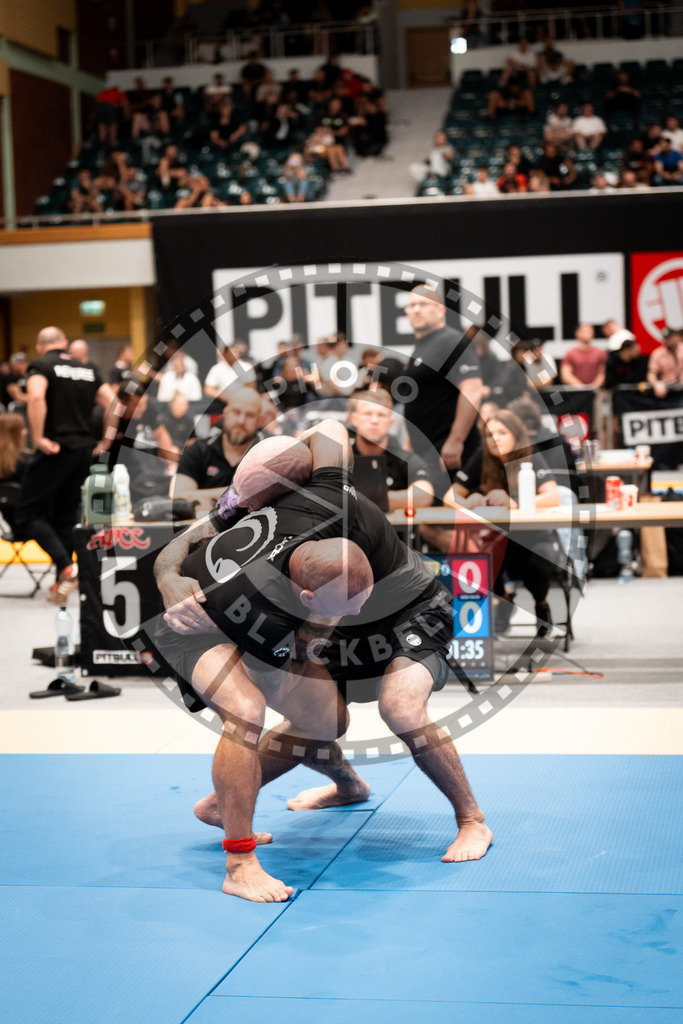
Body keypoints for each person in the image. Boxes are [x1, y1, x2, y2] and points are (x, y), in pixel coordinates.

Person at [154, 423, 492, 902]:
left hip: (412, 609)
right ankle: (328, 789)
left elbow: (330, 426)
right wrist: (169, 576)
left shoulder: (327, 488)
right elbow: (188, 543)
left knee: (401, 709)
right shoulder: (248, 548)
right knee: (318, 717)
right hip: (296, 612)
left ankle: (471, 819)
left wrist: (289, 454)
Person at [423, 410, 561, 637]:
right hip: (499, 537)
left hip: (535, 536)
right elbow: (450, 497)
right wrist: (467, 502)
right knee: (481, 557)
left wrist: (515, 502)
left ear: (515, 435)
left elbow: (553, 496)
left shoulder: (530, 455)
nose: (495, 438)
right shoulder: (482, 456)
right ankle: (504, 599)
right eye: (489, 434)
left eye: (502, 432)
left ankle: (541, 605)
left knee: (535, 565)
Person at [15, 326, 115, 603]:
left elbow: (35, 396)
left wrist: (38, 438)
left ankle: (67, 567)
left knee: (27, 515)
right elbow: (113, 401)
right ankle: (70, 571)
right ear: (65, 344)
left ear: (39, 347)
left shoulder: (42, 365)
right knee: (64, 517)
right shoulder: (87, 368)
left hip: (56, 448)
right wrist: (105, 440)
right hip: (83, 451)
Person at [402, 286, 483, 486]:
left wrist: (456, 440)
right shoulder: (423, 345)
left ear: (441, 310)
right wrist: (410, 440)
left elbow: (472, 391)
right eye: (412, 305)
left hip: (447, 453)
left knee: (443, 513)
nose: (416, 310)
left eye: (423, 304)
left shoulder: (452, 341)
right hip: (426, 448)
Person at [171, 388, 263, 511]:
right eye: (236, 412)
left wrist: (206, 498)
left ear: (258, 420)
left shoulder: (265, 455)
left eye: (250, 415)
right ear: (225, 412)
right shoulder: (198, 450)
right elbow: (178, 497)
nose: (241, 421)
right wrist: (241, 494)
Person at [347, 389, 434, 511]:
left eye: (381, 415)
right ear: (353, 419)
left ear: (391, 422)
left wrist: (357, 498)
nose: (374, 421)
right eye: (367, 413)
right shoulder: (341, 458)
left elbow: (424, 496)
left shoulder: (406, 459)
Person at [647, 326, 683, 399]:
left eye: (670, 337)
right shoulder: (657, 354)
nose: (667, 340)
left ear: (675, 337)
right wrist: (656, 384)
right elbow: (651, 374)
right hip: (668, 390)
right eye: (665, 338)